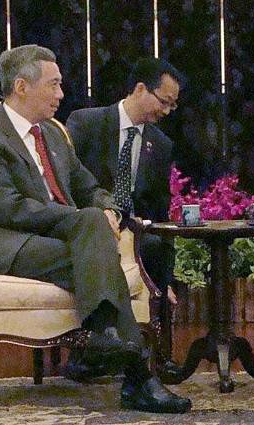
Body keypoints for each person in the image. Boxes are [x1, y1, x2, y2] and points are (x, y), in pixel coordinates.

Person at [0, 45, 191, 414]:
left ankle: (108, 340)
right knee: (92, 238)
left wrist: (107, 207)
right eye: (53, 85)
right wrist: (83, 218)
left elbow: (87, 187)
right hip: (3, 243)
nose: (61, 95)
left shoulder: (51, 135)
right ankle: (136, 376)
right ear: (21, 86)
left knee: (93, 241)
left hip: (56, 241)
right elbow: (2, 207)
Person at [66, 57, 183, 378]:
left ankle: (159, 356)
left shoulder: (160, 144)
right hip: (90, 225)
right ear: (140, 89)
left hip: (133, 233)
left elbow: (159, 209)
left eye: (173, 106)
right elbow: (67, 185)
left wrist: (167, 280)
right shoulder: (86, 123)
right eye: (164, 102)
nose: (167, 111)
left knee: (158, 246)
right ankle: (86, 354)